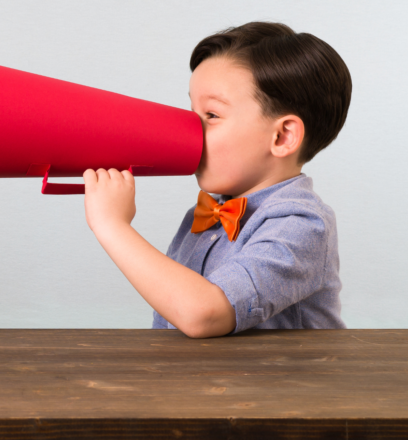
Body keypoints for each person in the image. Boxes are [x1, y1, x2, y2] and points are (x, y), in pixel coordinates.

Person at [83, 22, 351, 337]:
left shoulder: (301, 224)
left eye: (211, 115)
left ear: (282, 136)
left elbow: (204, 315)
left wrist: (112, 226)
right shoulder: (206, 214)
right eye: (191, 112)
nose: (189, 129)